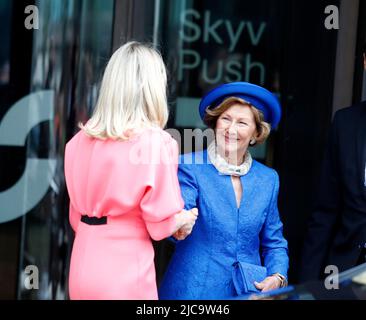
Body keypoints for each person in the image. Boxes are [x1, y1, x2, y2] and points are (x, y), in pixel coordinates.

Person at [64, 41, 198, 300]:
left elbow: (75, 217)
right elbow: (161, 223)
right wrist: (183, 219)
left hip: (83, 262)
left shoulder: (79, 141)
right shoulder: (156, 142)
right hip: (125, 269)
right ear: (152, 89)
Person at [159, 82, 289, 299]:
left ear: (256, 133)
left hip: (248, 292)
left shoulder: (268, 179)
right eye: (226, 119)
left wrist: (277, 276)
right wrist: (179, 223)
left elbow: (274, 241)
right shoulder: (190, 166)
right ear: (215, 122)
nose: (231, 129)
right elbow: (180, 219)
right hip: (194, 291)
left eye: (242, 123)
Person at [299, 43, 366, 281]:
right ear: (365, 62)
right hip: (344, 270)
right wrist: (306, 286)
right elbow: (326, 210)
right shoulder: (345, 123)